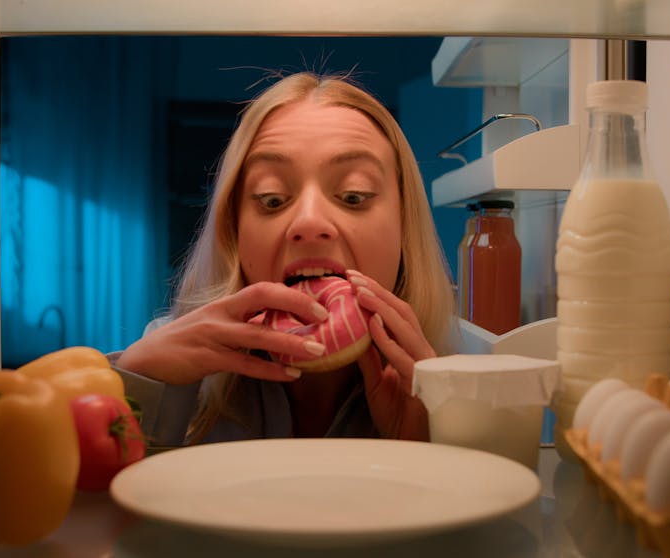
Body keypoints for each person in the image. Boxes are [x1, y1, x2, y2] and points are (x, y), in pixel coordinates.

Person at [113, 71, 457, 446]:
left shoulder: (458, 389)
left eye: (354, 195)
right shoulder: (168, 366)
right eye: (272, 199)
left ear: (404, 228)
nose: (309, 222)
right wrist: (133, 393)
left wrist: (425, 448)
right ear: (234, 233)